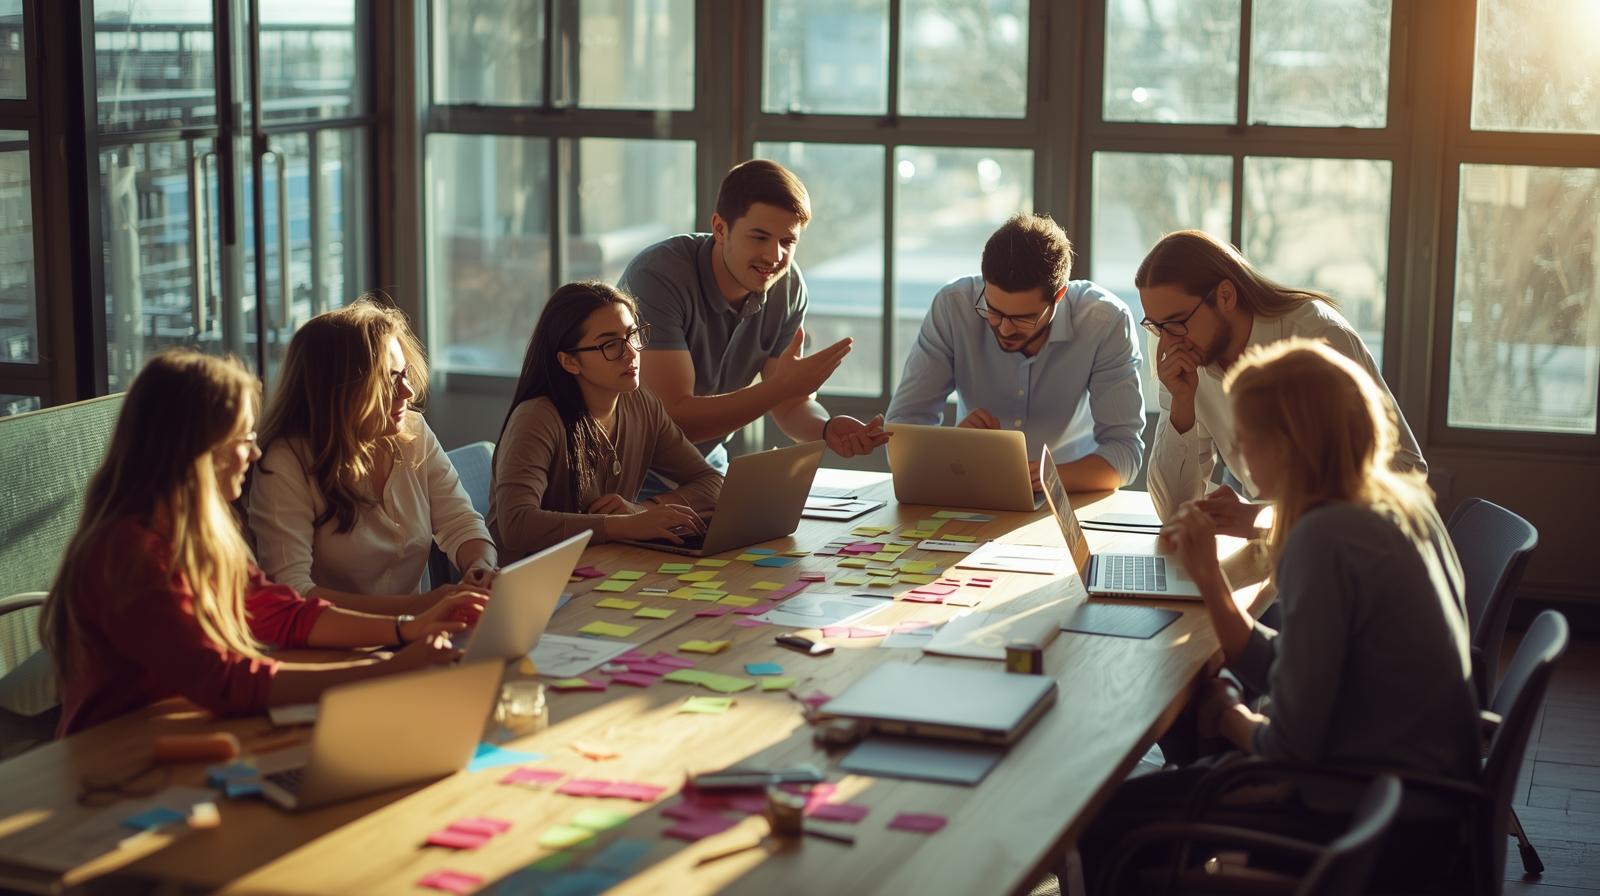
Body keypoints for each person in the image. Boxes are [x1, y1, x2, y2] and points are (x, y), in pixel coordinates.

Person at [1077, 339, 1478, 892]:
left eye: (1247, 436)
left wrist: (1230, 716)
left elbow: (1290, 747)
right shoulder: (1397, 503)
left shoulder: (1324, 537)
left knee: (1105, 819)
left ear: (1289, 445)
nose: (1238, 450)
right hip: (1415, 791)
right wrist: (1212, 591)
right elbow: (1301, 666)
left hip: (1368, 815)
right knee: (1192, 747)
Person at [41, 350, 483, 737]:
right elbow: (223, 680)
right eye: (242, 440)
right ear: (196, 451)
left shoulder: (203, 535)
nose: (254, 454)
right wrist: (387, 669)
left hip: (185, 733)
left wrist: (407, 628)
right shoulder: (129, 552)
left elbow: (284, 614)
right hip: (116, 751)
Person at [616, 159, 890, 481]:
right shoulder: (657, 277)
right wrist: (780, 387)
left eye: (787, 242)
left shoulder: (787, 287)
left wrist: (825, 428)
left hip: (704, 462)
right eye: (759, 238)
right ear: (720, 229)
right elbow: (672, 421)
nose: (774, 256)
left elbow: (790, 404)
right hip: (632, 464)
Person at [1137, 230, 1425, 527]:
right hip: (1284, 545)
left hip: (1353, 547)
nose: (1167, 343)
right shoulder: (1183, 358)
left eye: (1177, 322)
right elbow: (1174, 512)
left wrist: (1262, 518)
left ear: (1225, 296)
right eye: (1157, 327)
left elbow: (1404, 473)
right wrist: (1182, 404)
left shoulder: (1318, 336)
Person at [248, 298, 497, 614]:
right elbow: (294, 593)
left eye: (405, 373)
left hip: (418, 630)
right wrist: (420, 608)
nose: (407, 392)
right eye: (389, 379)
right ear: (339, 390)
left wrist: (480, 567)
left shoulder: (412, 432)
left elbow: (460, 522)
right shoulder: (285, 464)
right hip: (335, 640)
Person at [886, 213, 1145, 491]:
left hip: (1070, 492)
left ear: (1059, 296)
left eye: (1023, 318)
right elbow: (901, 432)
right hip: (971, 486)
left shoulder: (1104, 321)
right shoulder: (954, 307)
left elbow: (1125, 452)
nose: (1005, 329)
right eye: (993, 310)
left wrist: (1044, 478)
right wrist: (954, 446)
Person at [489, 281, 722, 561]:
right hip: (533, 578)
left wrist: (642, 510)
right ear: (570, 362)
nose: (631, 353)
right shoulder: (537, 418)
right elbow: (517, 524)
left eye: (633, 335)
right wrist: (622, 526)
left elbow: (711, 482)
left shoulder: (641, 403)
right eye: (611, 344)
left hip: (603, 565)